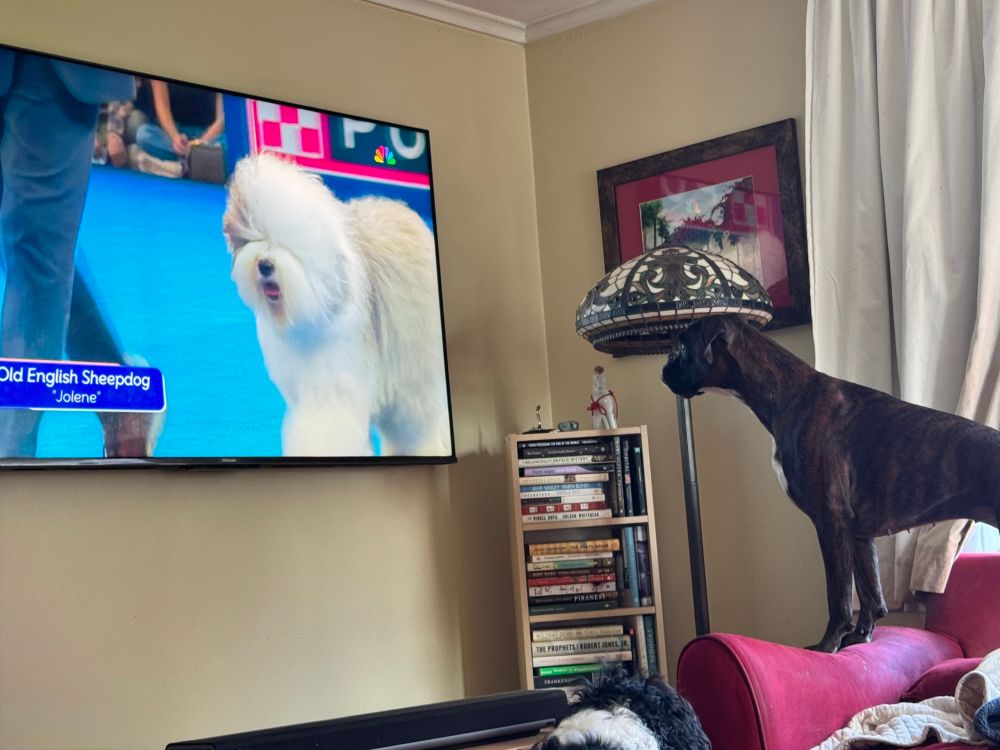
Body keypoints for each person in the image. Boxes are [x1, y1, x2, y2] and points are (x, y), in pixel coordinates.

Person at [0, 48, 153, 457]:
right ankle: (120, 393)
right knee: (37, 246)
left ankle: (11, 458)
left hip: (57, 52)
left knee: (37, 243)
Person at [133, 79, 224, 177]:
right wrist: (175, 137)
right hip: (177, 134)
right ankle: (190, 164)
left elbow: (223, 117)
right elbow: (162, 107)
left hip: (210, 135)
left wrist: (201, 143)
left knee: (230, 147)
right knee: (144, 135)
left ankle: (179, 167)